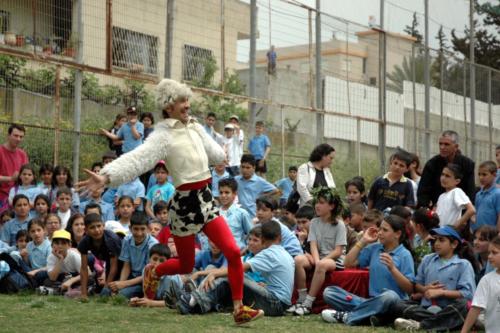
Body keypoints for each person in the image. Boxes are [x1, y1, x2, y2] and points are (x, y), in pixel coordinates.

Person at [78, 78, 263, 324]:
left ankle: (239, 310)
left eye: (187, 100)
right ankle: (154, 270)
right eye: (181, 101)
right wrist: (106, 176)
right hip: (184, 205)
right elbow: (137, 159)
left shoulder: (196, 126)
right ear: (168, 107)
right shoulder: (162, 135)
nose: (187, 105)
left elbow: (215, 153)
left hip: (206, 199)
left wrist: (222, 154)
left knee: (232, 252)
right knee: (186, 264)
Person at [167, 220, 294, 318]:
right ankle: (192, 303)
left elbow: (237, 269)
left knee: (230, 277)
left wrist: (214, 274)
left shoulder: (269, 253)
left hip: (275, 303)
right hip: (280, 302)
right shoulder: (284, 253)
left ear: (263, 239)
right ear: (280, 237)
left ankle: (189, 300)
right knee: (229, 279)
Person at [321, 215, 415, 326]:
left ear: (397, 234)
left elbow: (410, 289)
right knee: (329, 292)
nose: (380, 232)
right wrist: (363, 241)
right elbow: (348, 264)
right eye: (380, 228)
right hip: (369, 302)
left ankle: (349, 316)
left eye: (385, 230)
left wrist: (393, 269)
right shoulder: (374, 249)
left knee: (390, 296)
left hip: (394, 304)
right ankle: (370, 314)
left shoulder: (405, 254)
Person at [392, 226, 476, 331]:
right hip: (426, 308)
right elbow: (417, 285)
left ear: (454, 244)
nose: (436, 243)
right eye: (435, 239)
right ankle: (441, 321)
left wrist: (442, 293)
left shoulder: (463, 264)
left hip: (450, 308)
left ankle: (420, 325)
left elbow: (468, 294)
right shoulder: (427, 259)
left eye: (441, 240)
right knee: (399, 304)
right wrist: (424, 290)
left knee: (463, 305)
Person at [291, 187, 347, 316]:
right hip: (318, 257)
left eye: (322, 203)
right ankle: (301, 298)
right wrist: (316, 260)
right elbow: (313, 245)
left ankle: (308, 303)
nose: (317, 205)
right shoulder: (315, 222)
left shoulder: (339, 224)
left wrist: (320, 261)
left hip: (334, 260)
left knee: (322, 264)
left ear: (332, 206)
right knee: (298, 259)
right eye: (317, 202)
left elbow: (338, 251)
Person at [103, 212, 158, 299]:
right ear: (130, 228)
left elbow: (149, 274)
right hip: (131, 277)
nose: (139, 233)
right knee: (105, 291)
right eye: (136, 229)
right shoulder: (127, 240)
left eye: (142, 229)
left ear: (148, 229)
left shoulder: (152, 245)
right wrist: (120, 284)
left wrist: (124, 284)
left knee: (122, 294)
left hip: (145, 280)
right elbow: (126, 266)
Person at [418, 130, 475, 208]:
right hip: (436, 209)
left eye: (446, 144)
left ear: (456, 147)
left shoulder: (467, 164)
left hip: (460, 210)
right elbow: (423, 191)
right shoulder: (432, 164)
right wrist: (427, 209)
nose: (442, 147)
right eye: (440, 144)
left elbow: (470, 191)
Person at [461, 235, 500, 333]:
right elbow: (475, 308)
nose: (489, 256)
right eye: (489, 252)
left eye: (494, 253)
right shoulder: (487, 280)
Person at [78, 213, 122, 299]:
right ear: (86, 230)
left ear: (103, 225)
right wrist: (83, 293)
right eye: (92, 227)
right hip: (108, 262)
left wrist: (106, 287)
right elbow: (83, 268)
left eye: (99, 226)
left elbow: (114, 267)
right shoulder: (84, 241)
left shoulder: (112, 239)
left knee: (108, 291)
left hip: (122, 262)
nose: (97, 230)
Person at [129, 243, 183, 308]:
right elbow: (147, 296)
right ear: (149, 259)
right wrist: (139, 301)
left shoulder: (172, 279)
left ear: (168, 262)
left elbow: (176, 302)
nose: (157, 263)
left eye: (162, 261)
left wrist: (152, 303)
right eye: (154, 259)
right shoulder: (146, 270)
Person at [435, 163, 475, 230]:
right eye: (442, 174)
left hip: (449, 234)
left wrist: (457, 225)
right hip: (440, 232)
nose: (443, 178)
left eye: (447, 176)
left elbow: (471, 210)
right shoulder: (441, 196)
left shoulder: (456, 191)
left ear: (457, 181)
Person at [45, 229, 84, 297]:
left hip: (74, 276)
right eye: (57, 243)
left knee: (88, 280)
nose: (60, 246)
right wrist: (60, 259)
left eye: (63, 243)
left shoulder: (74, 256)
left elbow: (87, 273)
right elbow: (53, 278)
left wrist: (71, 281)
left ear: (69, 245)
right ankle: (67, 290)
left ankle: (71, 290)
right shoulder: (51, 257)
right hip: (61, 278)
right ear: (52, 245)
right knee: (47, 281)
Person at [217, 178, 253, 252]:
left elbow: (252, 234)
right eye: (221, 192)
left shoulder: (242, 213)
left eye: (227, 192)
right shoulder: (214, 213)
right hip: (218, 254)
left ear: (234, 194)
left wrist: (245, 250)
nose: (223, 195)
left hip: (237, 253)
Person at [0, 124, 28, 214]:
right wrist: (10, 179)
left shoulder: (22, 154)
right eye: (15, 136)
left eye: (21, 137)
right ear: (8, 135)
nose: (18, 139)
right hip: (2, 197)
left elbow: (27, 174)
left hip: (19, 198)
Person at [473, 161, 500, 233]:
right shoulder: (478, 194)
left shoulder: (497, 193)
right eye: (479, 174)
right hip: (479, 233)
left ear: (494, 175)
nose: (481, 177)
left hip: (492, 235)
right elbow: (476, 213)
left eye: (484, 174)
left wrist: (497, 234)